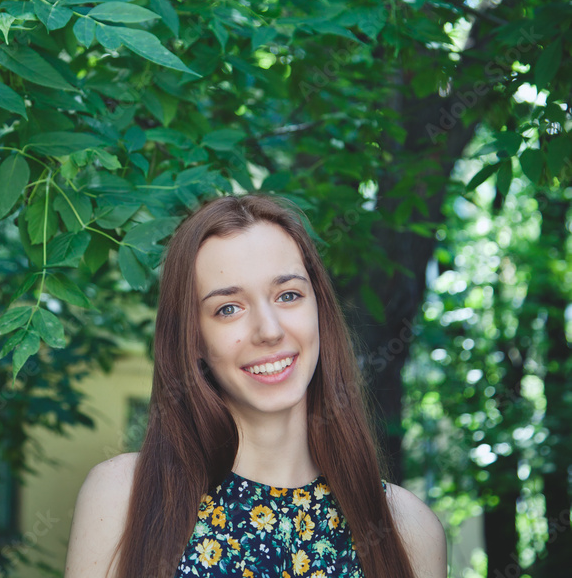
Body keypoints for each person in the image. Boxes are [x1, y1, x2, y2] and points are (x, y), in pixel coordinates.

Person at [64, 193, 447, 578]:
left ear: (320, 310)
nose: (269, 330)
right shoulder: (124, 497)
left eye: (288, 295)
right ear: (193, 339)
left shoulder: (408, 530)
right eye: (228, 308)